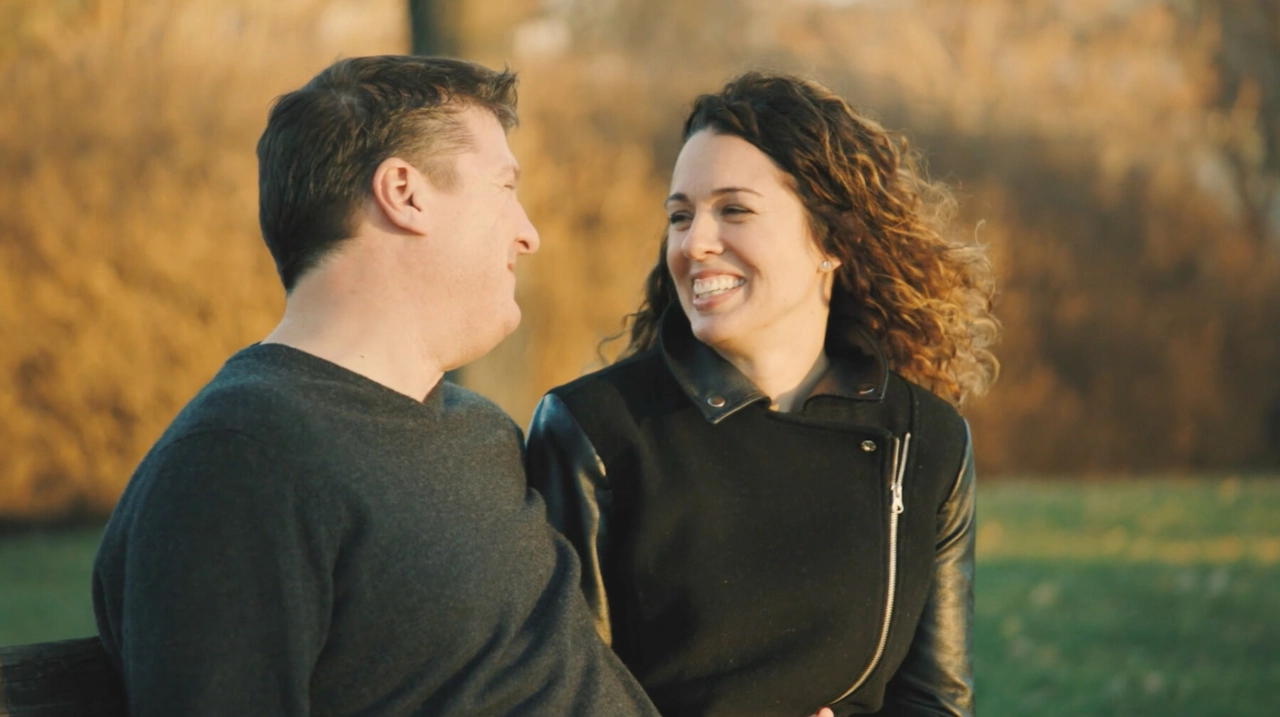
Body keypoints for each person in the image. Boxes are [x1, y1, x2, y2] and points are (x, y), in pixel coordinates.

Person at [92, 56, 660, 717]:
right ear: (404, 191)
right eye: (505, 188)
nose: (527, 232)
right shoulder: (241, 459)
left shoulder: (477, 433)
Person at [525, 73, 999, 717]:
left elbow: (936, 701)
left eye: (735, 210)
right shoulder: (592, 431)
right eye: (680, 216)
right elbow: (561, 698)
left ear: (833, 240)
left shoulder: (927, 441)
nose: (694, 244)